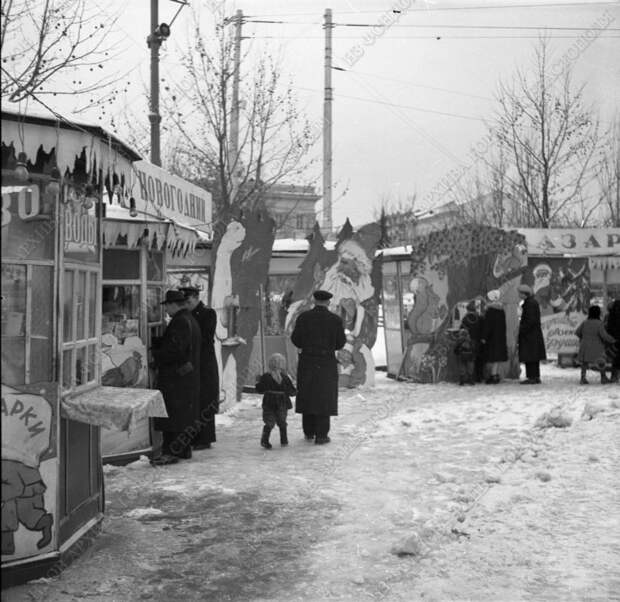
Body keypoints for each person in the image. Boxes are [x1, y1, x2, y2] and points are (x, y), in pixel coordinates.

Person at [150, 290, 202, 465]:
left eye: (167, 306)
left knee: (172, 415)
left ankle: (169, 452)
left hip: (176, 376)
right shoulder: (189, 319)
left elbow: (175, 350)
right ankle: (183, 449)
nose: (166, 310)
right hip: (186, 376)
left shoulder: (180, 321)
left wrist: (156, 355)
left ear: (173, 305)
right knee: (182, 415)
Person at [291, 290, 346, 444]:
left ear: (314, 301)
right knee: (324, 397)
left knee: (308, 394)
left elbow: (296, 340)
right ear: (328, 302)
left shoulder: (303, 318)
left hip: (307, 361)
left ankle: (308, 432)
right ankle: (322, 435)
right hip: (326, 362)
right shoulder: (335, 320)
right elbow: (340, 343)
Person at [179, 286, 219, 450]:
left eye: (188, 301)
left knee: (206, 398)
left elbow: (206, 337)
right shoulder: (186, 315)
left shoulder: (208, 313)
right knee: (194, 400)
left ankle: (205, 438)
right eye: (184, 302)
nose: (187, 305)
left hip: (205, 362)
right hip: (193, 362)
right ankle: (195, 437)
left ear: (196, 298)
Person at [255, 353, 297, 449]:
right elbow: (292, 392)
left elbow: (260, 389)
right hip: (282, 403)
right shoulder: (286, 377)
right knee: (282, 422)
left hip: (269, 402)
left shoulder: (266, 377)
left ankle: (265, 440)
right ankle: (284, 440)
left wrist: (257, 382)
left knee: (269, 422)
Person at [576, 305, 616, 385]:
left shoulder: (585, 322)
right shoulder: (599, 324)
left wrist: (583, 337)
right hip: (597, 347)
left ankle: (583, 378)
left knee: (584, 362)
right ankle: (603, 377)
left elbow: (577, 332)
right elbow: (604, 335)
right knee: (601, 361)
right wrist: (613, 340)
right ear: (598, 313)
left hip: (585, 346)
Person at [517, 283, 546, 384]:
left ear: (524, 294)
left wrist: (521, 329)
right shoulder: (532, 302)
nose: (518, 295)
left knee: (530, 356)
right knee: (533, 357)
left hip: (530, 335)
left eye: (519, 293)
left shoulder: (529, 304)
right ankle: (535, 376)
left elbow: (530, 320)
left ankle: (532, 377)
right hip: (533, 334)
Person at [481, 289, 508, 384]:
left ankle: (493, 376)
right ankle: (495, 375)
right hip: (500, 337)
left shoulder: (490, 311)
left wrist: (484, 337)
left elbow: (487, 326)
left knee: (491, 357)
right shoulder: (501, 310)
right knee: (497, 358)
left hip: (491, 338)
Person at [460, 300, 484, 383]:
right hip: (478, 341)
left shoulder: (465, 318)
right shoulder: (480, 317)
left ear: (468, 309)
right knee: (478, 360)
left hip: (468, 341)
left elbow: (462, 329)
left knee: (467, 360)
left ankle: (467, 377)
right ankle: (479, 377)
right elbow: (483, 329)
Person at [604, 299, 620, 383]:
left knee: (615, 358)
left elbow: (608, 327)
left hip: (614, 339)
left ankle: (614, 376)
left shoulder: (611, 315)